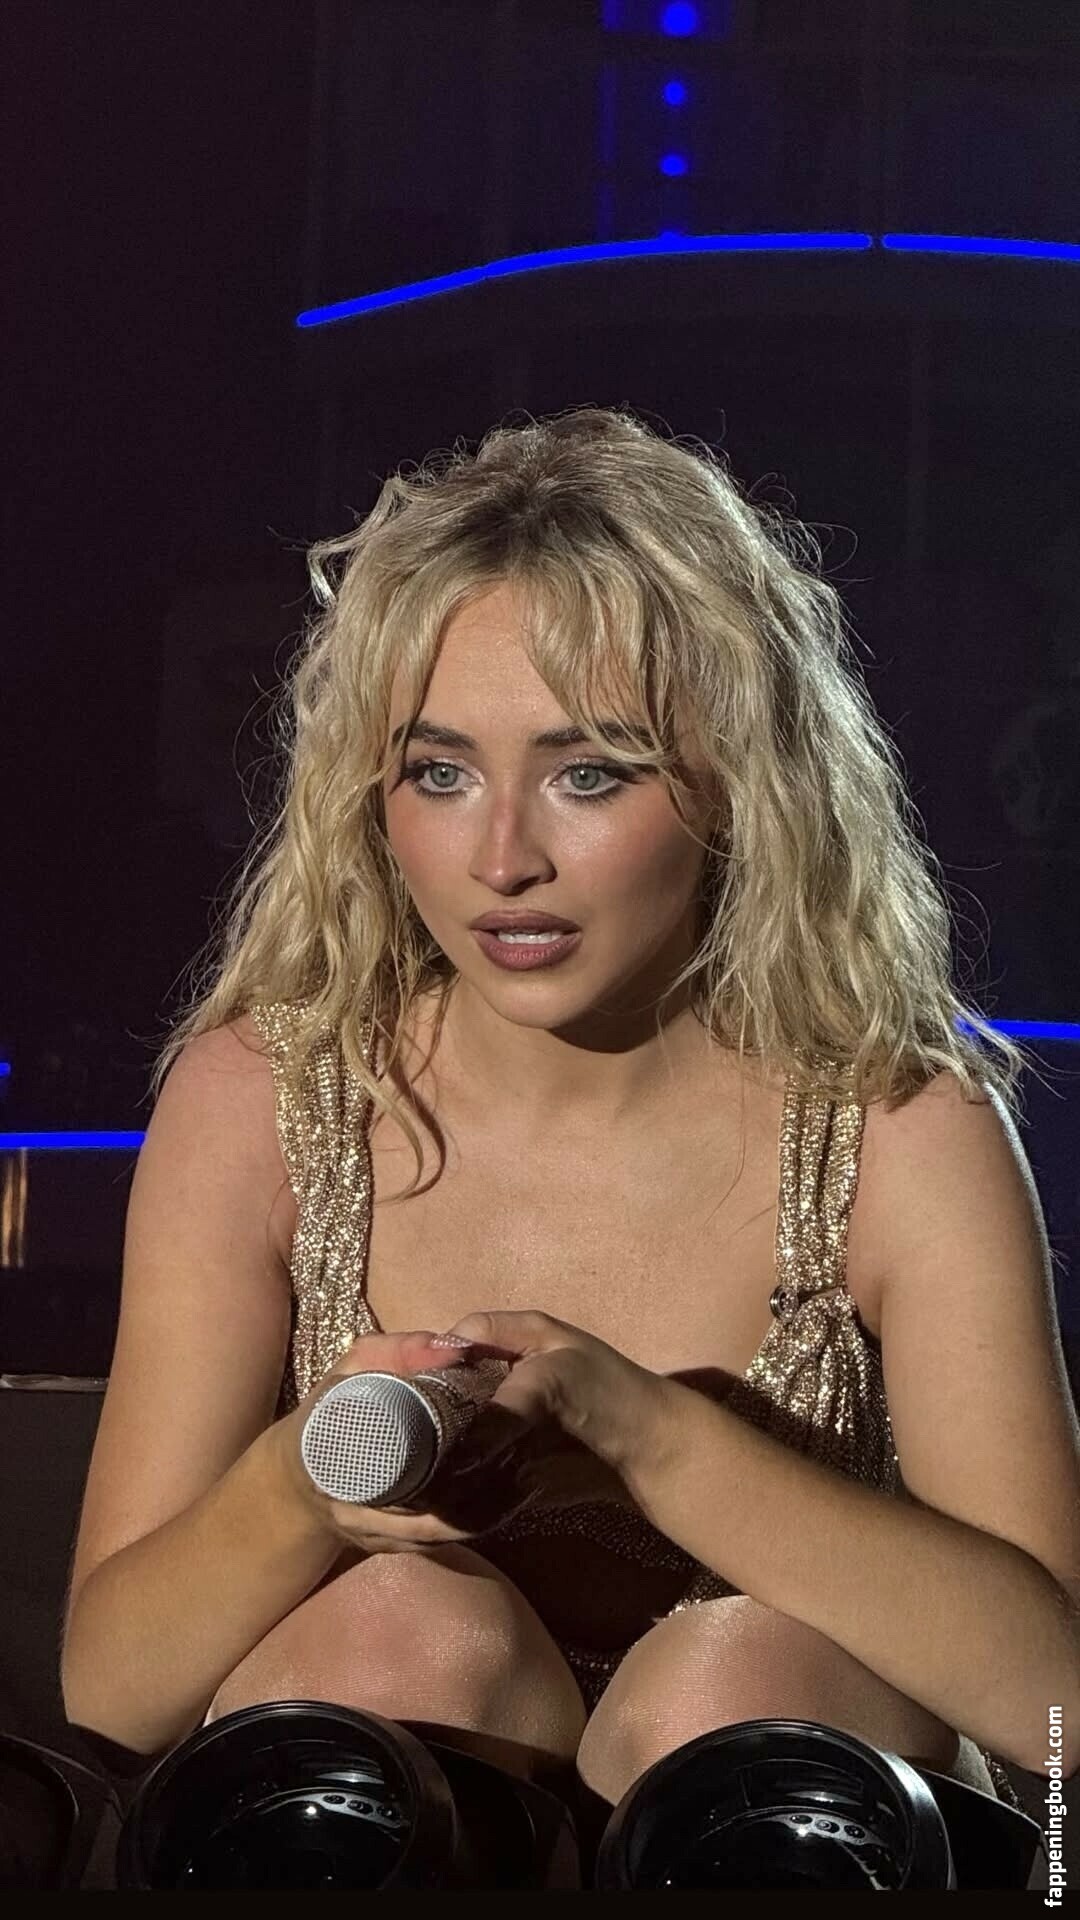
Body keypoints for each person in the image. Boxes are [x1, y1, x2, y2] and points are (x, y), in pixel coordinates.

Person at [61, 408, 1079, 1822]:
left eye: (588, 772)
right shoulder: (267, 1099)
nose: (503, 859)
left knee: (731, 1687)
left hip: (786, 1815)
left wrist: (647, 1434)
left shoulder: (899, 1121)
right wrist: (298, 1489)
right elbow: (112, 1691)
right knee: (405, 1632)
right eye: (439, 771)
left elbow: (1057, 1703)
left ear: (741, 782)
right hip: (395, 1797)